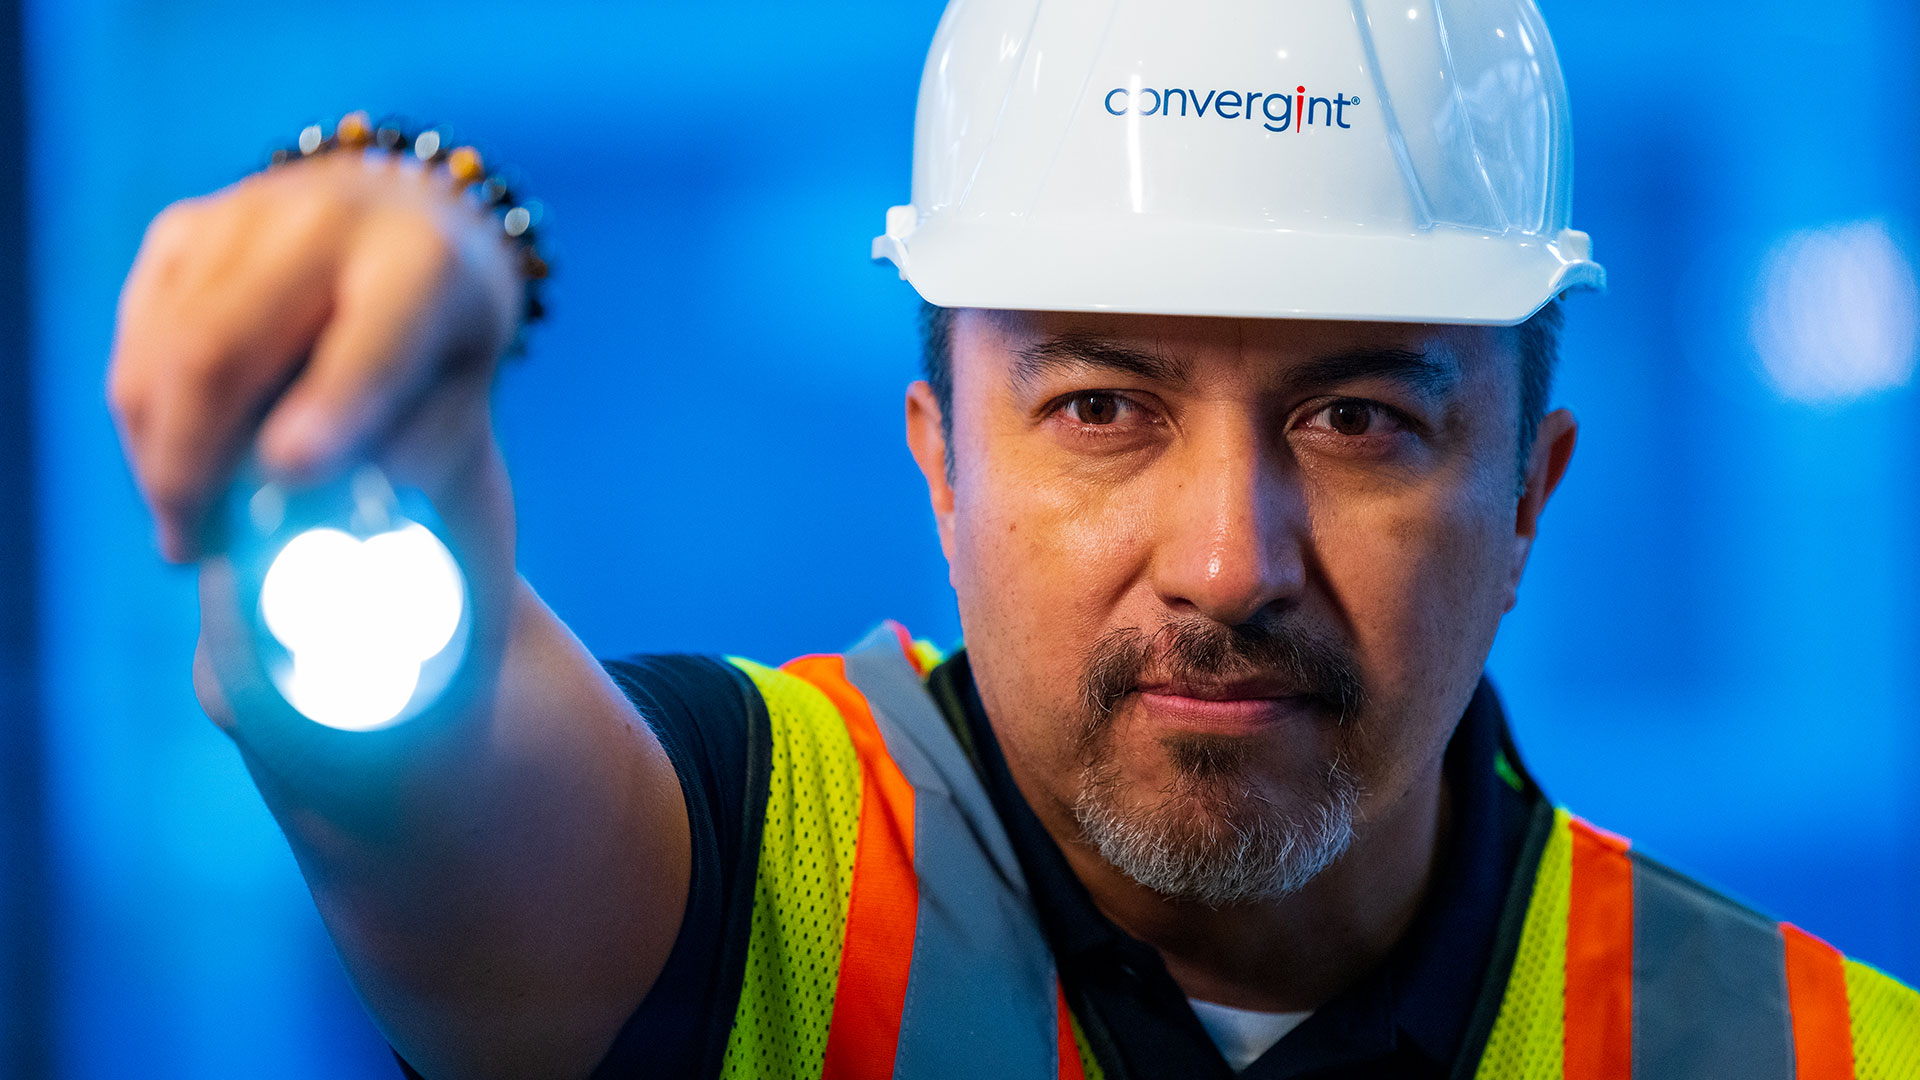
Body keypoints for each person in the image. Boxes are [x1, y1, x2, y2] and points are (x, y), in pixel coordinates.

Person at [106, 1, 1917, 1078]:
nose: (1229, 562)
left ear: (1528, 492)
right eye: (1104, 407)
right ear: (942, 460)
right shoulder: (747, 885)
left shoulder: (1828, 1055)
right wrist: (384, 345)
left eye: (1359, 418)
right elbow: (399, 771)